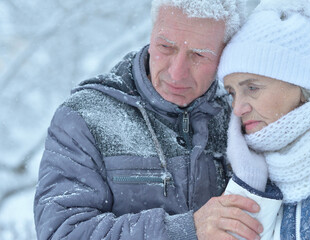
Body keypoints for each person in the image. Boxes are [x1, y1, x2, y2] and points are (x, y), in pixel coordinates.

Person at [34, 1, 265, 239]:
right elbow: (63, 232)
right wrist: (183, 231)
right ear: (152, 33)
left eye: (198, 55)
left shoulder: (239, 114)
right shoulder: (85, 118)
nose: (176, 73)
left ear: (226, 53)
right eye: (166, 47)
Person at [217, 0, 310, 239]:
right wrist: (249, 187)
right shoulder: (248, 167)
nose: (237, 108)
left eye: (252, 87)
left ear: (300, 85)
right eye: (231, 92)